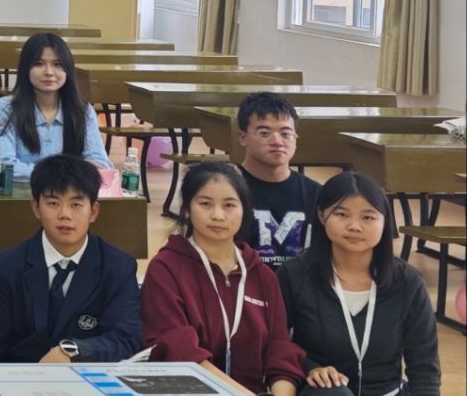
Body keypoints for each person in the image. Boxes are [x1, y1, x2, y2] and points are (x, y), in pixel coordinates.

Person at [141, 163, 304, 396]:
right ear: (186, 209)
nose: (218, 215)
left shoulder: (262, 276)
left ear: (244, 210)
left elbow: (280, 351)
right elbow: (179, 349)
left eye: (229, 205)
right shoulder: (165, 269)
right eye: (205, 204)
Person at [0, 155, 142, 364]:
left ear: (93, 212)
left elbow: (125, 340)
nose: (64, 214)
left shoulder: (118, 268)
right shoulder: (8, 267)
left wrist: (75, 350)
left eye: (76, 204)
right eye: (53, 203)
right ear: (36, 208)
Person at [278, 172, 440, 396]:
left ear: (386, 221)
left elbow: (425, 369)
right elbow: (277, 344)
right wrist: (310, 368)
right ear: (322, 215)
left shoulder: (408, 282)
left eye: (368, 217)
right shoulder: (295, 274)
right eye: (342, 214)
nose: (354, 226)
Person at [0, 33, 112, 180]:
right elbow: (2, 165)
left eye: (57, 64)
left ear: (68, 69)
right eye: (39, 64)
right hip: (20, 192)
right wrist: (69, 172)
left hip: (70, 193)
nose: (49, 72)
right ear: (25, 68)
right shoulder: (5, 108)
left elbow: (100, 163)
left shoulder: (83, 110)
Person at [234, 92, 321, 270]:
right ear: (242, 137)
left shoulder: (315, 193)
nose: (277, 141)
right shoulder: (227, 188)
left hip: (296, 284)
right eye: (264, 133)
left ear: (296, 139)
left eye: (286, 133)